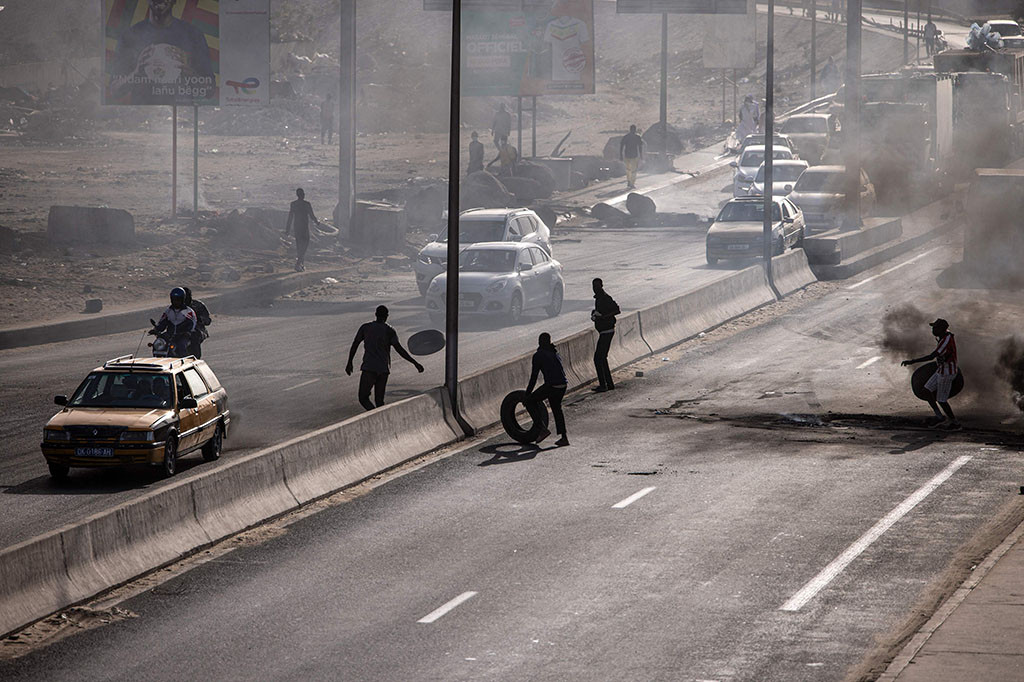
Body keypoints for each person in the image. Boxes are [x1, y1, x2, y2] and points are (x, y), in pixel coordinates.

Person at [108, 0, 215, 105]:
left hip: (181, 115)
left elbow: (210, 91)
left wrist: (189, 73)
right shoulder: (129, 36)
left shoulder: (193, 35)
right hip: (142, 115)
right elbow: (115, 91)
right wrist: (136, 73)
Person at [345, 305, 424, 411]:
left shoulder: (366, 328)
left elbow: (355, 344)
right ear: (387, 316)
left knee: (363, 398)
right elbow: (400, 350)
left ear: (376, 314)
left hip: (369, 368)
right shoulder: (390, 331)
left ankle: (372, 416)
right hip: (383, 369)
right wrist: (415, 363)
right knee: (379, 401)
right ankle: (378, 417)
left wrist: (350, 362)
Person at [901, 318, 961, 430]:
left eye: (935, 328)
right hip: (941, 370)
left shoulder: (946, 341)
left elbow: (932, 356)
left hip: (947, 373)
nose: (933, 330)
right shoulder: (944, 337)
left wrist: (912, 361)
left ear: (942, 329)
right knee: (926, 390)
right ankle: (939, 417)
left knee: (942, 400)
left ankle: (955, 423)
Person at [526, 333, 570, 447]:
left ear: (539, 342)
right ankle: (564, 438)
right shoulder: (554, 351)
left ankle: (542, 429)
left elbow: (534, 376)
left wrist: (527, 393)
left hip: (552, 385)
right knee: (556, 409)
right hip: (563, 384)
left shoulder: (538, 355)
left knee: (530, 401)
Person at [591, 278, 620, 393]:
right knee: (602, 358)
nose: (595, 288)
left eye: (597, 286)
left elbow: (617, 310)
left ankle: (604, 385)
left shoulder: (605, 298)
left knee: (598, 358)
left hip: (607, 331)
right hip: (604, 331)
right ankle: (609, 384)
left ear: (601, 286)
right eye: (593, 286)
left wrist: (603, 317)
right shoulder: (598, 298)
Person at [150, 287, 197, 354]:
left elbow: (192, 323)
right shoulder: (168, 311)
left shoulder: (188, 311)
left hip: (182, 336)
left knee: (181, 345)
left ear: (182, 300)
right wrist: (156, 329)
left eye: (178, 300)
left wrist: (187, 332)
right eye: (174, 300)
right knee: (157, 344)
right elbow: (162, 322)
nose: (176, 302)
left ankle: (183, 361)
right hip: (170, 335)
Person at [284, 188, 320, 272]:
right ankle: (298, 264)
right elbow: (312, 216)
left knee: (299, 246)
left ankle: (302, 265)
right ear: (303, 195)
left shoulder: (293, 204)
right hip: (304, 228)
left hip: (297, 228)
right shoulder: (307, 204)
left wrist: (287, 230)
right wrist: (317, 222)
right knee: (305, 245)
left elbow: (290, 217)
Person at [182, 287, 211, 359]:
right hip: (180, 329)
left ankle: (195, 358)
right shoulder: (176, 307)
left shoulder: (198, 305)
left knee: (194, 336)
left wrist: (199, 319)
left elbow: (208, 321)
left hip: (197, 329)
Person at [620, 124, 644, 190]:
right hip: (634, 156)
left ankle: (629, 181)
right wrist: (641, 156)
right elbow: (640, 147)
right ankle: (632, 183)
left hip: (627, 155)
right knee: (633, 170)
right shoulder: (637, 137)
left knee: (628, 170)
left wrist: (621, 155)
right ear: (635, 130)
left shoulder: (626, 137)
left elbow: (621, 146)